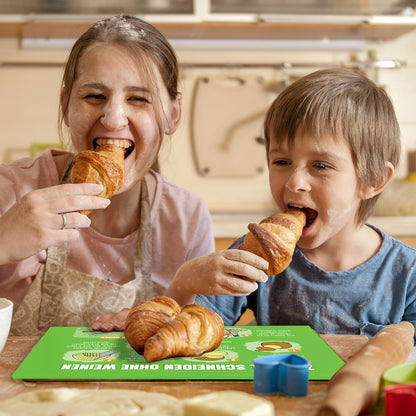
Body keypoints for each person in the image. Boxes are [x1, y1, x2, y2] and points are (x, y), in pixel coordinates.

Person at [0, 15, 216, 336]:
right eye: (94, 96)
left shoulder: (186, 218)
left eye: (138, 99)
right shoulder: (12, 191)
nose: (114, 119)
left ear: (173, 114)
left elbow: (200, 337)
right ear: (65, 106)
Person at [169, 67, 416, 341]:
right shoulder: (256, 253)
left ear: (374, 180)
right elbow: (190, 333)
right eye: (282, 162)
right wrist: (185, 281)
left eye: (321, 165)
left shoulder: (407, 274)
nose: (294, 182)